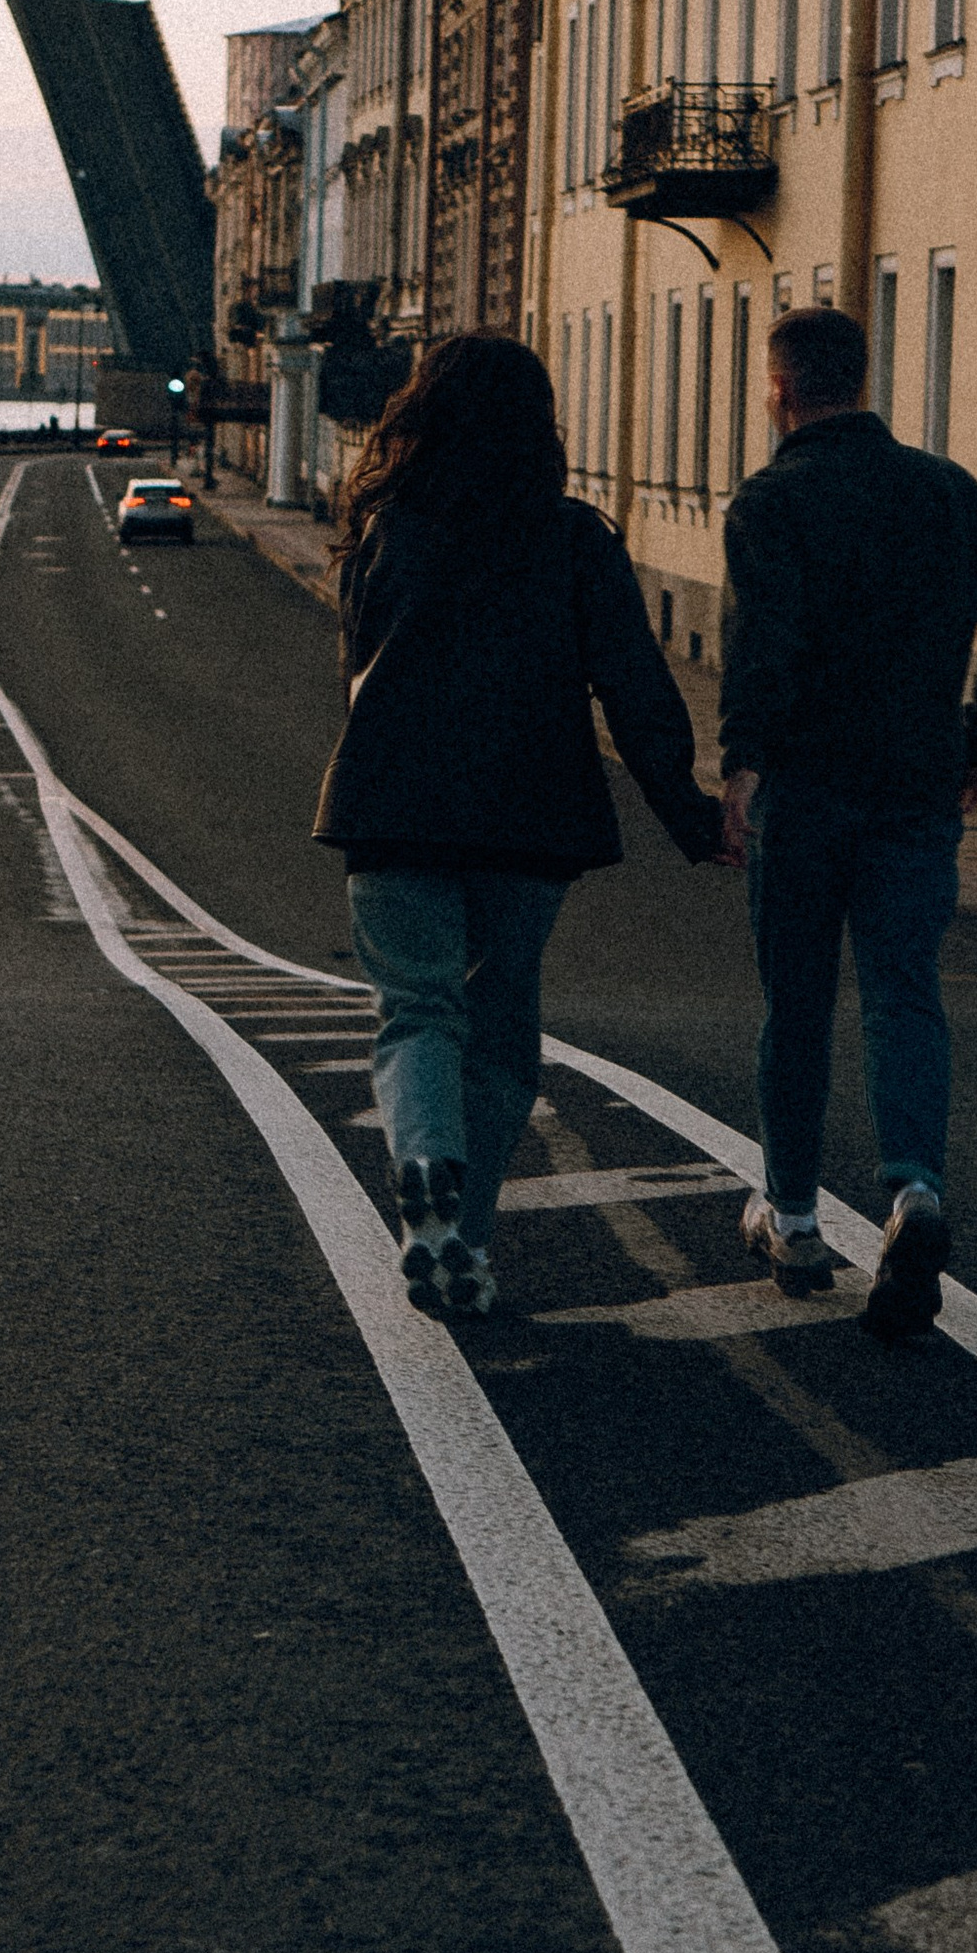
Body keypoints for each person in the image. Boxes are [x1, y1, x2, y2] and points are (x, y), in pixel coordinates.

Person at [314, 333, 724, 1320]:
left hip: (393, 805)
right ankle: (466, 1237)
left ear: (423, 416)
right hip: (529, 815)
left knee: (415, 1009)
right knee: (500, 1028)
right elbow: (633, 686)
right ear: (539, 427)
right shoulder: (576, 539)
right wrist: (690, 815)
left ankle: (425, 1166)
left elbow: (356, 666)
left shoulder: (385, 529)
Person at [718, 301, 977, 1339]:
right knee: (903, 995)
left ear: (781, 388)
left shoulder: (770, 501)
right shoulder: (946, 491)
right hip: (916, 787)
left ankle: (793, 1218)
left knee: (797, 1004)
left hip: (805, 790)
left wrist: (739, 765)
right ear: (861, 379)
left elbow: (763, 647)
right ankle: (915, 1190)